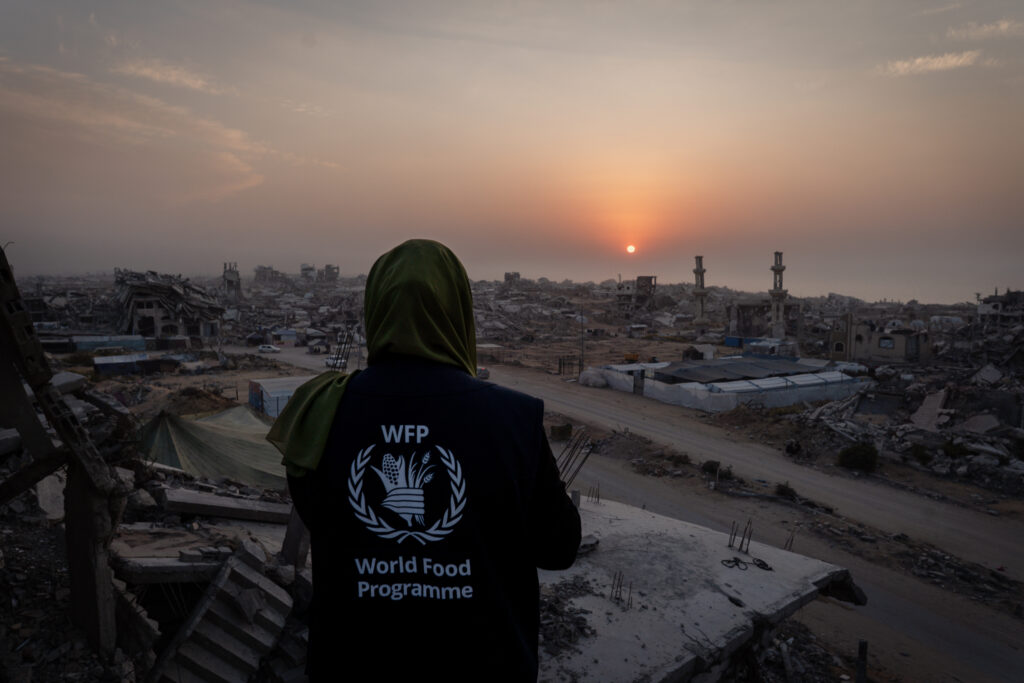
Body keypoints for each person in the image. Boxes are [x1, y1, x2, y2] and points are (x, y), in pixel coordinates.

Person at [269, 239, 581, 682]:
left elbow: (318, 515)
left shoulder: (321, 411)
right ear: (458, 311)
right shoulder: (515, 418)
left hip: (355, 661)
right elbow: (559, 548)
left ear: (375, 308)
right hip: (483, 663)